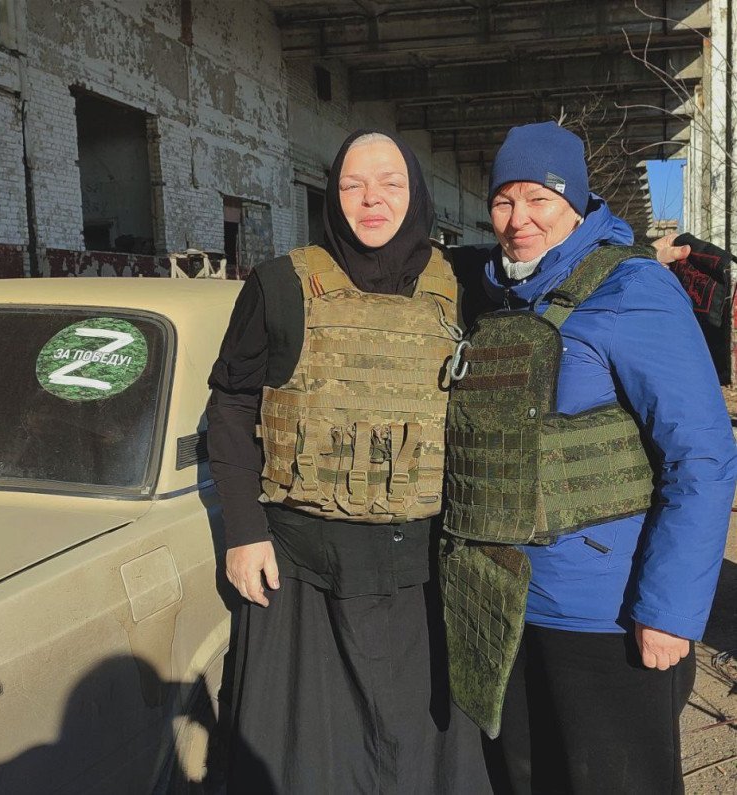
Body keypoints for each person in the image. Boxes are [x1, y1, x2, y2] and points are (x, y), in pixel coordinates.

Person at [440, 121, 737, 794]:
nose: (520, 220)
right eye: (504, 201)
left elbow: (703, 456)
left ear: (576, 204)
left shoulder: (631, 290)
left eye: (539, 200)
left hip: (608, 617)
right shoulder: (498, 295)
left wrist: (668, 609)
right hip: (508, 609)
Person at [206, 130, 492, 793]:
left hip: (427, 575)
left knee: (429, 763)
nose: (372, 200)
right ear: (331, 194)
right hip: (307, 572)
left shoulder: (465, 285)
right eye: (352, 185)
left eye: (390, 184)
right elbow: (230, 403)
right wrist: (244, 533)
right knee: (305, 763)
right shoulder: (280, 284)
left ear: (416, 193)